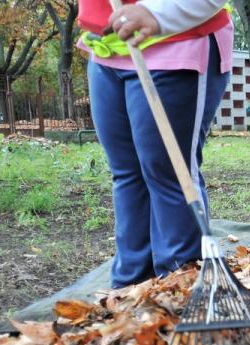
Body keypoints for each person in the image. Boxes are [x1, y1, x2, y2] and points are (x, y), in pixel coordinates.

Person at [77, 0, 232, 289]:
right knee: (126, 174)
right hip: (105, 48)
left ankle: (178, 288)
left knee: (168, 172)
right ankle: (130, 288)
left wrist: (157, 12)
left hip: (175, 42)